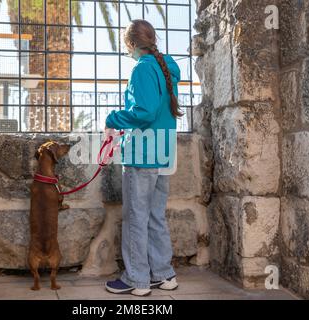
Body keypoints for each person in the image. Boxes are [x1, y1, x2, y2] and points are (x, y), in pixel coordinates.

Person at [104, 19, 183, 296]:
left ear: (131, 44)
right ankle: (164, 274)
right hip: (163, 154)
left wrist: (113, 118)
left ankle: (136, 279)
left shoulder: (141, 69)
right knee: (155, 216)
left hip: (142, 155)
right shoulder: (167, 68)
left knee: (136, 217)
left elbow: (145, 111)